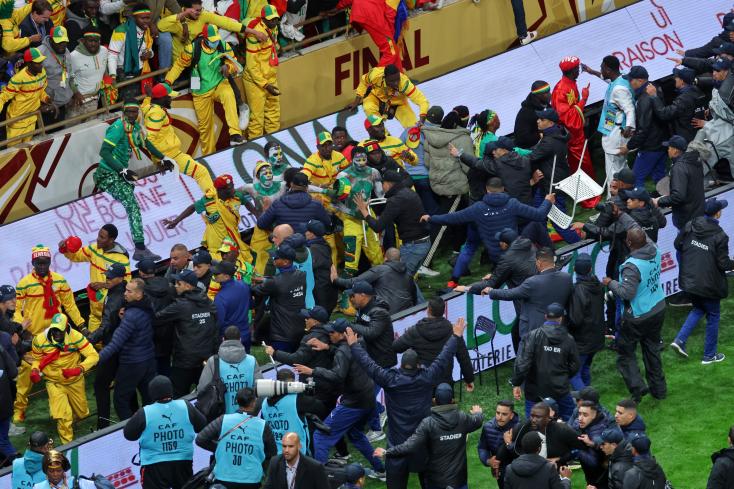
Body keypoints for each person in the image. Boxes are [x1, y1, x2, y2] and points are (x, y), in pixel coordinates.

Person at [349, 319, 465, 489]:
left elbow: (369, 365)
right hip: (423, 445)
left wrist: (354, 345)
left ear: (401, 365)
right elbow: (443, 357)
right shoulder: (427, 377)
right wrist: (455, 336)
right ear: (418, 365)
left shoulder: (390, 379)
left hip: (397, 445)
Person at [295, 319, 385, 479]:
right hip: (367, 397)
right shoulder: (357, 343)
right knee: (356, 435)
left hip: (354, 402)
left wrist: (313, 371)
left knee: (320, 436)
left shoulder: (342, 352)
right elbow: (346, 353)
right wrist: (327, 347)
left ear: (343, 334)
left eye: (332, 332)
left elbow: (337, 376)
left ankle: (320, 481)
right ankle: (381, 470)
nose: (329, 334)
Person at [13, 245, 86, 425]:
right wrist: (22, 330)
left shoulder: (60, 281)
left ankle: (74, 411)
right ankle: (19, 410)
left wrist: (82, 325)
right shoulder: (24, 283)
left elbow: (70, 305)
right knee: (25, 376)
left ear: (50, 262)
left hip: (58, 336)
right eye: (39, 263)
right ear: (33, 263)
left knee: (66, 374)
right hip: (34, 338)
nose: (42, 266)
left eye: (45, 262)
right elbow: (16, 310)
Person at [93, 99, 167, 262]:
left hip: (119, 173)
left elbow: (146, 144)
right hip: (107, 174)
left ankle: (140, 248)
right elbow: (104, 152)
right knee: (133, 206)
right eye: (129, 112)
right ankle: (140, 248)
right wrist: (122, 170)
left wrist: (163, 158)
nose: (132, 115)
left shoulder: (136, 128)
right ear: (124, 112)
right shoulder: (118, 127)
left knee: (133, 201)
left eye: (135, 111)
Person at [422, 178, 552, 269]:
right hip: (515, 253)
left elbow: (452, 218)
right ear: (503, 189)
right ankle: (553, 257)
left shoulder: (478, 208)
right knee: (536, 225)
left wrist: (431, 218)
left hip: (496, 258)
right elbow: (539, 214)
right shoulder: (512, 204)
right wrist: (547, 201)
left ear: (486, 190)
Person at [375, 383, 483, 489]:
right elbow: (477, 421)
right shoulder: (463, 418)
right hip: (458, 482)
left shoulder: (428, 424)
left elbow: (409, 446)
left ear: (434, 400)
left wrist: (387, 453)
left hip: (436, 482)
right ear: (452, 400)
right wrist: (478, 413)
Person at [603, 228, 667, 402]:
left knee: (625, 353)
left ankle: (638, 388)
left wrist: (610, 282)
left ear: (628, 242)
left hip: (638, 316)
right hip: (657, 307)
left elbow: (626, 293)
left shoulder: (632, 266)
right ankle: (659, 391)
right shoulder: (655, 251)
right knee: (652, 350)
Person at [671, 198, 734, 364]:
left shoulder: (691, 224)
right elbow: (724, 264)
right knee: (713, 315)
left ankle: (679, 340)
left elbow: (678, 244)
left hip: (690, 280)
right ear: (718, 213)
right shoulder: (720, 236)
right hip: (708, 284)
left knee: (698, 308)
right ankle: (709, 355)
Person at [165, 24, 244, 153]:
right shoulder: (192, 49)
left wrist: (228, 67)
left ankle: (235, 134)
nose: (215, 42)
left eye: (216, 39)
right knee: (205, 129)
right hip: (201, 92)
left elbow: (234, 62)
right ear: (205, 39)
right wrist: (168, 82)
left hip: (219, 84)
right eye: (212, 40)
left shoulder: (223, 46)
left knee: (229, 94)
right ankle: (209, 155)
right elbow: (179, 65)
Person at [123, 376, 207, 489]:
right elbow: (202, 426)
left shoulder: (145, 412)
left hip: (154, 465)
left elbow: (129, 434)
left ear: (151, 393)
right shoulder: (185, 406)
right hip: (182, 462)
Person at [29, 313, 98, 444]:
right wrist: (35, 369)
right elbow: (37, 359)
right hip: (54, 381)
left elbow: (93, 355)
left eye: (59, 330)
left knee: (82, 413)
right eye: (54, 329)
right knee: (63, 416)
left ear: (66, 328)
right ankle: (68, 444)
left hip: (75, 380)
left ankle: (73, 416)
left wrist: (79, 369)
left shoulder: (76, 337)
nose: (56, 333)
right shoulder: (39, 340)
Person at [97, 278, 155, 421]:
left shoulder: (131, 315)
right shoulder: (149, 306)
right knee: (149, 398)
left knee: (120, 399)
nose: (125, 293)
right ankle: (151, 425)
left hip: (132, 363)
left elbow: (115, 343)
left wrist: (95, 359)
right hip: (149, 359)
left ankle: (132, 430)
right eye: (126, 290)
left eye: (129, 291)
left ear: (139, 295)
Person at [196, 387, 278, 488]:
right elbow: (272, 452)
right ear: (254, 402)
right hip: (251, 480)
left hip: (223, 478)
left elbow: (200, 439)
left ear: (237, 402)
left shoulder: (223, 420)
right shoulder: (263, 425)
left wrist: (220, 448)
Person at [153, 269, 218, 397]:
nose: (175, 286)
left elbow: (155, 319)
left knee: (179, 396)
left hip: (184, 361)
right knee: (207, 396)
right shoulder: (208, 302)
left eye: (179, 283)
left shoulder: (181, 305)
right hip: (206, 358)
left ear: (188, 286)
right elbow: (215, 327)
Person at [142, 82, 215, 193]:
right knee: (201, 172)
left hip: (171, 154)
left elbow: (144, 106)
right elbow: (148, 140)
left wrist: (149, 96)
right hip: (170, 156)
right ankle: (212, 200)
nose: (171, 99)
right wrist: (161, 159)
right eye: (169, 97)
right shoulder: (157, 114)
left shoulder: (150, 107)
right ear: (161, 98)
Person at [355, 170, 431, 276]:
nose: (381, 186)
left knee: (400, 279)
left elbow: (378, 227)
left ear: (387, 184)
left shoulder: (396, 200)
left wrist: (364, 211)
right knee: (407, 280)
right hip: (424, 243)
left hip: (413, 246)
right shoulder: (409, 192)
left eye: (382, 183)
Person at [511, 303, 579, 420]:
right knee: (569, 421)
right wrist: (562, 376)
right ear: (561, 318)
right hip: (560, 389)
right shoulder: (569, 339)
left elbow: (523, 363)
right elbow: (575, 365)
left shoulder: (533, 336)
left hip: (535, 391)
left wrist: (516, 383)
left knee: (533, 424)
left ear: (546, 316)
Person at [59, 225, 130, 333]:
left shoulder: (122, 259)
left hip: (111, 313)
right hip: (95, 312)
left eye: (102, 237)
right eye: (98, 235)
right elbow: (76, 256)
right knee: (92, 341)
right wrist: (65, 248)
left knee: (110, 341)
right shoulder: (94, 248)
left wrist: (104, 285)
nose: (98, 239)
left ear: (111, 240)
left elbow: (126, 283)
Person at [391, 296, 474, 388]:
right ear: (444, 311)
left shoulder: (415, 330)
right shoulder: (453, 331)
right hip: (445, 382)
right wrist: (469, 379)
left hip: (423, 381)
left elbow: (396, 347)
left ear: (428, 310)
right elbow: (463, 357)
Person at [490, 247, 573, 339]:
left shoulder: (533, 282)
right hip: (559, 328)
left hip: (535, 331)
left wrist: (491, 291)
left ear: (539, 262)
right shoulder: (567, 278)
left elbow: (510, 294)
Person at [332, 143, 383, 289]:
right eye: (358, 159)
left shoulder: (374, 172)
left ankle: (381, 286)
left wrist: (376, 213)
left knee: (377, 255)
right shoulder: (343, 176)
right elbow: (335, 202)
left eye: (364, 159)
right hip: (351, 219)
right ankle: (346, 294)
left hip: (368, 217)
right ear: (352, 159)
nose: (361, 163)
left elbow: (380, 195)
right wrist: (351, 212)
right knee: (351, 259)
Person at [583, 56, 636, 193]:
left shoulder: (618, 90)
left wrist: (629, 127)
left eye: (602, 68)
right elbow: (607, 79)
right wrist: (592, 72)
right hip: (614, 127)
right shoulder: (621, 79)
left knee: (613, 170)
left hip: (617, 132)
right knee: (621, 166)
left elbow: (629, 109)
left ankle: (613, 200)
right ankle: (628, 194)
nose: (601, 70)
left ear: (608, 69)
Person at [91, 263, 132, 430]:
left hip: (114, 347)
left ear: (121, 278)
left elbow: (106, 325)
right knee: (126, 386)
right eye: (107, 276)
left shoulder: (116, 297)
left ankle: (103, 425)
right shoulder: (122, 289)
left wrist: (88, 340)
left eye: (111, 277)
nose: (107, 279)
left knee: (101, 385)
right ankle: (132, 418)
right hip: (124, 345)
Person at [620, 66, 668, 189]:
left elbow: (644, 129)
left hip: (650, 146)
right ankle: (668, 199)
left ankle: (640, 201)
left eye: (631, 80)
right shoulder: (654, 89)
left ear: (640, 80)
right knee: (660, 178)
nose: (629, 83)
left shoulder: (644, 99)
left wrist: (629, 146)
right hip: (662, 142)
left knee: (635, 179)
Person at [253, 244, 307, 353]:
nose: (273, 259)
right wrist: (265, 279)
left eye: (276, 258)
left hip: (281, 334)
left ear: (286, 262)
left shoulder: (274, 282)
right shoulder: (301, 276)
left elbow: (254, 290)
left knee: (281, 361)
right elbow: (284, 280)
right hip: (299, 329)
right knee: (295, 360)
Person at [198, 326, 262, 415]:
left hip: (221, 419)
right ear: (240, 340)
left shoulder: (213, 361)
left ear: (223, 339)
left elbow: (202, 390)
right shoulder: (252, 360)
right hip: (247, 417)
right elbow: (261, 391)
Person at [333, 248, 415, 315]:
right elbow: (414, 297)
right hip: (406, 314)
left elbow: (355, 282)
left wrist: (336, 280)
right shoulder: (408, 274)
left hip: (386, 315)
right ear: (400, 259)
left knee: (354, 292)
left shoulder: (380, 270)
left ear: (385, 258)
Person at [260, 370, 324, 455]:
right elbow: (320, 407)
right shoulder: (297, 399)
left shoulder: (265, 402)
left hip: (276, 453)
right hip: (298, 453)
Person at [0, 47, 54, 145]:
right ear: (29, 64)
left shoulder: (42, 72)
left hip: (32, 118)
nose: (41, 65)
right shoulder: (18, 79)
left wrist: (47, 99)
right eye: (37, 63)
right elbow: (3, 97)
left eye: (41, 62)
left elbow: (40, 91)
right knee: (14, 152)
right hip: (17, 122)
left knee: (28, 149)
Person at [348, 64, 429, 129]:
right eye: (392, 81)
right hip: (376, 97)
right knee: (368, 107)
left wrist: (422, 119)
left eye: (397, 79)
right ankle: (383, 137)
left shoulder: (405, 84)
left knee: (413, 127)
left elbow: (423, 101)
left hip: (398, 103)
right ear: (384, 77)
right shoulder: (375, 75)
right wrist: (356, 101)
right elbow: (364, 81)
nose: (396, 83)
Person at [551, 56, 594, 179]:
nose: (579, 70)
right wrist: (584, 99)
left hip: (576, 132)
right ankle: (587, 191)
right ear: (572, 71)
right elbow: (567, 118)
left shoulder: (570, 82)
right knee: (582, 165)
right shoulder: (561, 90)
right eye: (577, 68)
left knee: (584, 163)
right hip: (572, 136)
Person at [566, 253, 604, 389]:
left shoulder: (578, 290)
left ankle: (587, 400)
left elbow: (575, 319)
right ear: (591, 269)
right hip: (596, 337)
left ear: (574, 269)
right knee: (585, 368)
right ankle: (588, 396)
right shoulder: (598, 285)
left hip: (582, 340)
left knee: (574, 374)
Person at [242, 5, 281, 139]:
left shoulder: (274, 28)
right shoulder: (254, 35)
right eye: (271, 20)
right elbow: (252, 66)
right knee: (257, 119)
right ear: (263, 19)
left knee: (274, 113)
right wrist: (265, 84)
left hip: (270, 77)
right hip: (255, 81)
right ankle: (256, 146)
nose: (274, 22)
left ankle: (274, 142)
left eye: (276, 19)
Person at [653, 135, 705, 230]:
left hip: (687, 219)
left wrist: (658, 201)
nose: (668, 150)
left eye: (669, 148)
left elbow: (678, 197)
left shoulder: (678, 168)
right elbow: (689, 188)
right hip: (698, 213)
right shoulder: (695, 162)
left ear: (675, 151)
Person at [137, 259, 177, 377]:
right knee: (165, 366)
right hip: (168, 333)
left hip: (149, 334)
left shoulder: (140, 290)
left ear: (141, 272)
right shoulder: (169, 285)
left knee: (150, 371)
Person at [257, 172, 332, 232]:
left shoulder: (277, 204)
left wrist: (266, 209)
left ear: (291, 184)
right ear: (307, 187)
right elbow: (328, 224)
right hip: (309, 244)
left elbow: (261, 224)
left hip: (286, 244)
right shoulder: (316, 205)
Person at [646, 66, 705, 143]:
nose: (675, 79)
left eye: (677, 77)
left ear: (682, 81)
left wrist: (654, 96)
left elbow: (664, 114)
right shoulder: (698, 91)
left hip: (687, 139)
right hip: (697, 135)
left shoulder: (684, 99)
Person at [107, 4, 155, 96]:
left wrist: (150, 54)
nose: (146, 21)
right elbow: (112, 55)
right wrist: (113, 76)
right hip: (124, 72)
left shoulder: (148, 30)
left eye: (148, 18)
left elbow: (150, 50)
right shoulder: (120, 31)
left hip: (142, 70)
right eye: (142, 18)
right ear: (134, 18)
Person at [503, 431, 572, 489]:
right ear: (539, 448)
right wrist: (566, 478)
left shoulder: (509, 469)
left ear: (523, 447)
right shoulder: (549, 468)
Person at [67, 26, 109, 120]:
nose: (93, 44)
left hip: (94, 100)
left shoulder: (104, 51)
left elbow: (105, 69)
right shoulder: (73, 56)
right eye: (90, 41)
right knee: (73, 128)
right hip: (77, 102)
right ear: (83, 41)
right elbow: (67, 77)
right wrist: (75, 92)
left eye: (96, 41)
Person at [262, 432, 330, 489]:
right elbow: (268, 486)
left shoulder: (315, 467)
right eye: (284, 446)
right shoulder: (275, 462)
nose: (286, 450)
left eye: (291, 446)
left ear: (299, 446)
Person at [477, 400, 520, 488]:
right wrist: (488, 461)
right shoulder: (488, 427)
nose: (500, 417)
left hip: (518, 471)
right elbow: (482, 447)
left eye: (504, 414)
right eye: (498, 413)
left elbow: (524, 453)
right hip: (499, 471)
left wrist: (509, 443)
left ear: (511, 415)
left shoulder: (520, 428)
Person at [211, 261, 251, 349]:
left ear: (226, 276)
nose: (214, 275)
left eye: (217, 273)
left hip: (229, 340)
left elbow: (219, 322)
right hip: (245, 334)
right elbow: (250, 304)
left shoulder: (220, 297)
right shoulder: (244, 285)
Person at [37, 25, 72, 125]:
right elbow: (33, 82)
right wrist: (43, 102)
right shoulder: (40, 53)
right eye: (58, 42)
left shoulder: (66, 51)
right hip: (47, 106)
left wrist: (74, 91)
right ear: (51, 40)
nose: (62, 45)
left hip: (63, 103)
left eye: (64, 42)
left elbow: (70, 73)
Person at [573, 401, 609, 488]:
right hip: (590, 474)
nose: (580, 418)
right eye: (579, 414)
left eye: (585, 415)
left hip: (602, 477)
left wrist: (576, 451)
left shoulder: (599, 432)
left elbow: (593, 463)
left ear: (594, 415)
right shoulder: (580, 423)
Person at [304, 220, 338, 314]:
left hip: (321, 292)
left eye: (307, 231)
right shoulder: (323, 244)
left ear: (312, 234)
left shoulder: (314, 249)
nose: (305, 232)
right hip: (327, 290)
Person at [514, 81, 551, 149]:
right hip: (529, 147)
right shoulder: (527, 113)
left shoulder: (545, 105)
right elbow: (522, 138)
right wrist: (542, 135)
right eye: (546, 93)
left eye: (549, 91)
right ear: (538, 95)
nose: (550, 94)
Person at [0, 340, 17, 466]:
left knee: (2, 441)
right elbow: (13, 372)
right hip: (6, 404)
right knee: (3, 439)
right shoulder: (1, 349)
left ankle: (19, 466)